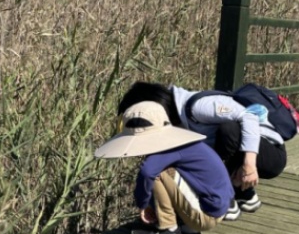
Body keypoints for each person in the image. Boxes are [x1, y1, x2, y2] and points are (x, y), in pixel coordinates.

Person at [116, 81, 288, 213]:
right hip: (253, 153)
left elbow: (249, 117)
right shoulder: (178, 121)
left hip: (272, 155)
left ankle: (229, 198)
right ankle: (244, 194)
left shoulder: (197, 107)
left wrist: (249, 165)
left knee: (229, 129)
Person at [95, 101, 236, 234]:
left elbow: (148, 172)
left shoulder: (167, 148)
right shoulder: (185, 144)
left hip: (206, 215)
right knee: (169, 172)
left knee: (158, 174)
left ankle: (169, 231)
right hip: (216, 209)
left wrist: (143, 204)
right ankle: (186, 225)